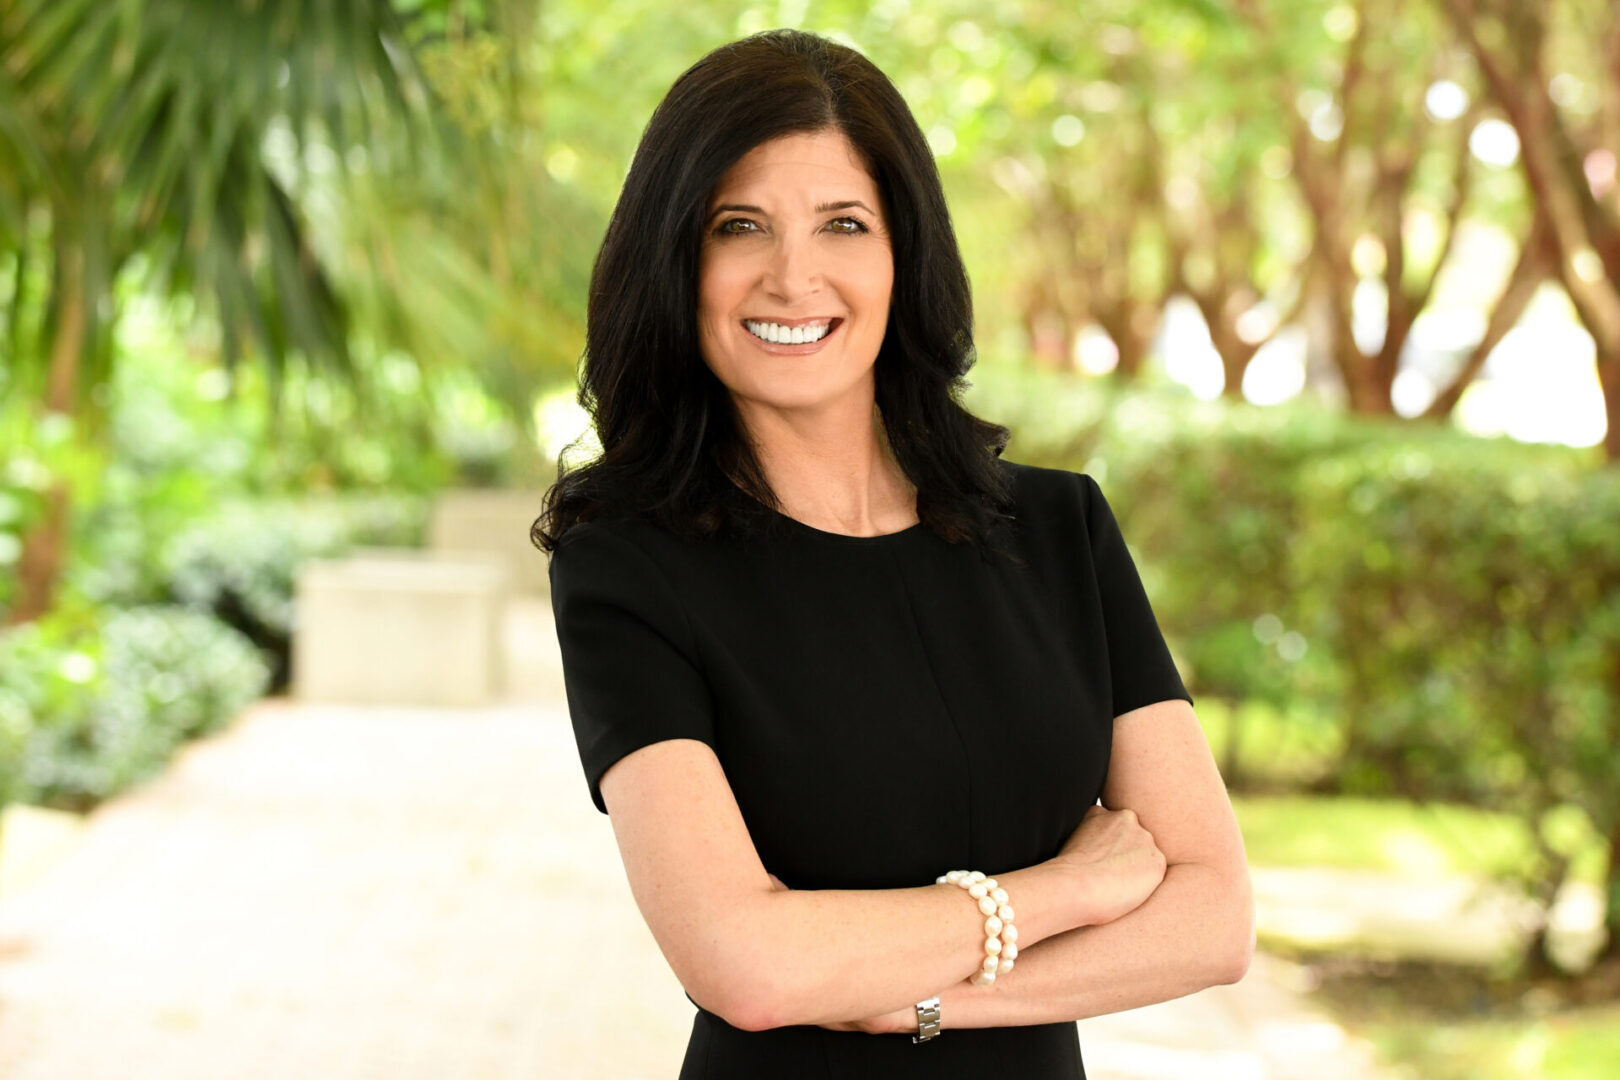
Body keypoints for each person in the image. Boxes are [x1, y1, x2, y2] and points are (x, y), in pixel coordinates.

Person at [533, 28, 1253, 1079]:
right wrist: (1057, 895)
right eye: (740, 227)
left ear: (901, 256)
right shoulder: (627, 567)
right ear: (675, 262)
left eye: (843, 224)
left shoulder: (1060, 532)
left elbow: (1212, 916)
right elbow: (744, 962)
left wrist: (913, 1000)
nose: (792, 275)